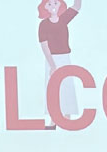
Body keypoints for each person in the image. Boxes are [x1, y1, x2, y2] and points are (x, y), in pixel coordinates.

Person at [38, 0, 82, 129]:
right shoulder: (43, 24)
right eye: (49, 4)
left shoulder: (63, 19)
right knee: (53, 89)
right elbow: (44, 45)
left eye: (55, 3)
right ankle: (54, 119)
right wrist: (52, 64)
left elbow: (77, 6)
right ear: (44, 7)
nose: (53, 6)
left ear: (60, 5)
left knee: (67, 86)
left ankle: (67, 117)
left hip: (65, 58)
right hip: (52, 59)